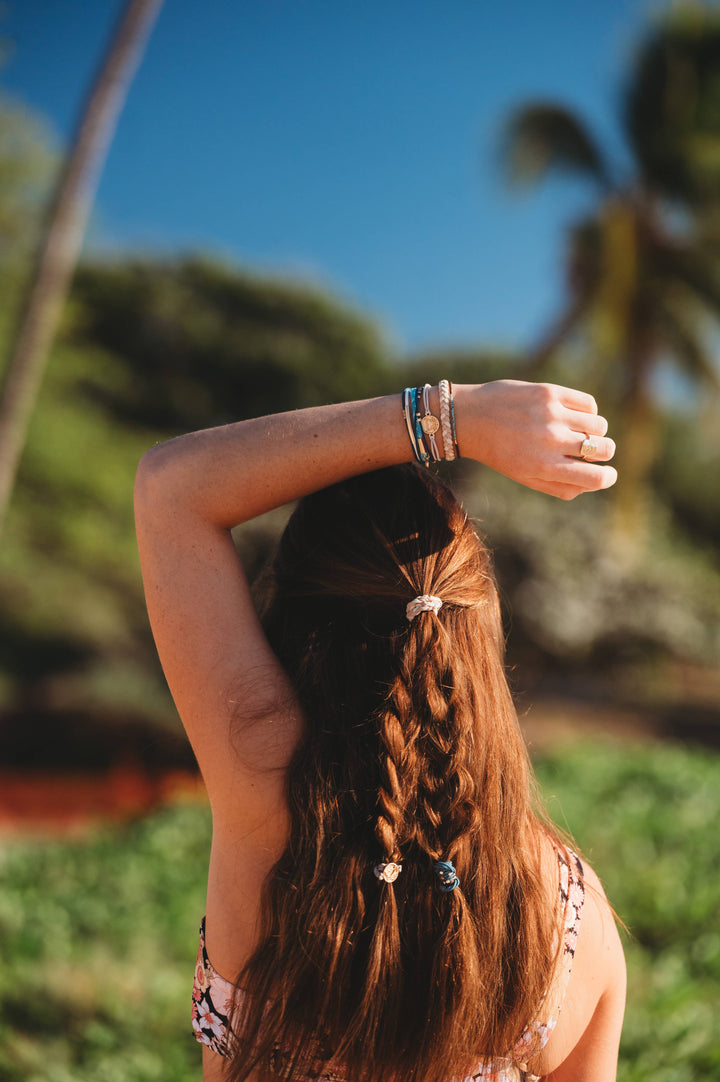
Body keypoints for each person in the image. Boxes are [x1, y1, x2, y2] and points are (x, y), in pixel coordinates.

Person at [134, 380, 626, 1082]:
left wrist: (452, 416)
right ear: (479, 630)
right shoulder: (573, 917)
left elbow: (171, 488)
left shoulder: (267, 797)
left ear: (292, 624)